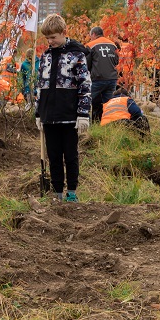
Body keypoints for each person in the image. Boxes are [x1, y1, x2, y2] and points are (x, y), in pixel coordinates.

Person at [34, 14, 91, 202]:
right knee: (54, 155)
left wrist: (83, 113)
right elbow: (40, 85)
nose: (50, 42)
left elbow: (85, 84)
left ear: (63, 33)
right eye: (47, 38)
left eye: (53, 37)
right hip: (49, 116)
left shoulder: (77, 54)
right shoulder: (45, 56)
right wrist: (38, 111)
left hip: (69, 115)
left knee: (70, 155)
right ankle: (58, 192)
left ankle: (72, 192)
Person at [87, 26, 119, 122]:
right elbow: (117, 62)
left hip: (97, 79)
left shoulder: (91, 45)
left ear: (93, 34)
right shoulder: (113, 45)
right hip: (112, 79)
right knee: (109, 105)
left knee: (88, 102)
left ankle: (91, 124)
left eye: (90, 36)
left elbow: (87, 64)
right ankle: (108, 125)